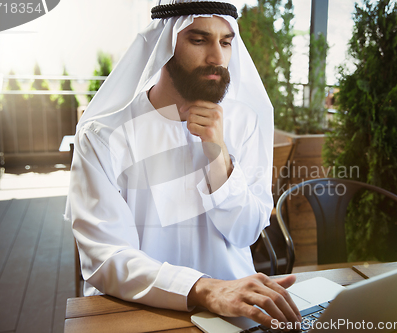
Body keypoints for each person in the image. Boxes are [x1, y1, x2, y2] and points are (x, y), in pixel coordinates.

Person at [65, 0, 301, 328]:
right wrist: (203, 288)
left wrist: (219, 157)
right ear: (165, 43)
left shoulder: (245, 123)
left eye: (226, 42)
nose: (217, 57)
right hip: (140, 316)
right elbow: (106, 258)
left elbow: (248, 231)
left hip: (238, 315)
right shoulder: (104, 135)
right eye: (198, 40)